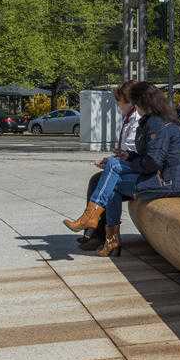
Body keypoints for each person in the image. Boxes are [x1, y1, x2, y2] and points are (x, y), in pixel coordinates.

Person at [85, 81, 180, 257]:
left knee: (112, 175)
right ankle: (107, 236)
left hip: (169, 182)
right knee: (112, 180)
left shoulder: (157, 124)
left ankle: (98, 223)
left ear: (142, 103)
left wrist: (128, 164)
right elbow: (148, 156)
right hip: (161, 178)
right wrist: (130, 157)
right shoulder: (153, 121)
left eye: (135, 103)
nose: (135, 107)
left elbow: (153, 162)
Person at [64, 81, 139, 246]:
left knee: (103, 181)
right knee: (97, 179)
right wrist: (113, 158)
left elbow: (137, 151)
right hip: (130, 165)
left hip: (138, 171)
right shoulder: (129, 118)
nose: (119, 107)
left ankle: (95, 231)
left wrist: (118, 159)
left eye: (120, 103)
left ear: (130, 101)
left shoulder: (138, 119)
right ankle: (93, 231)